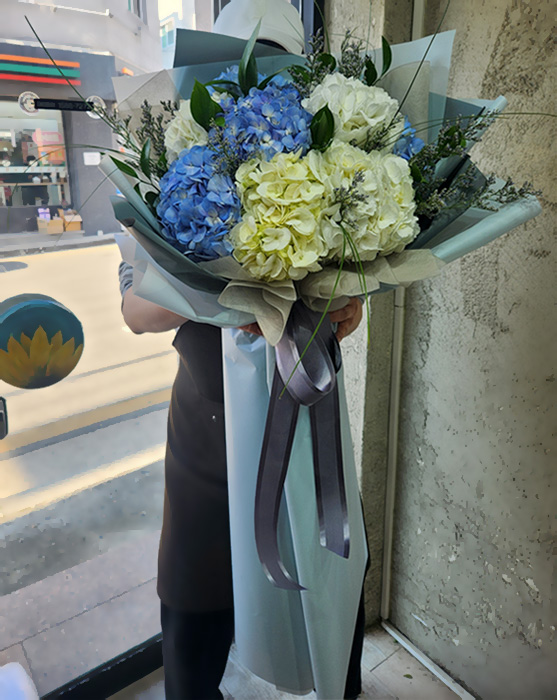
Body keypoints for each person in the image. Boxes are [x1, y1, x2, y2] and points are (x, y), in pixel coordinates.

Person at [119, 2, 365, 698]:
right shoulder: (166, 174)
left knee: (327, 582)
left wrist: (341, 304)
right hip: (207, 435)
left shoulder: (326, 168)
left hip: (307, 419)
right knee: (194, 614)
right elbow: (135, 313)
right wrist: (229, 278)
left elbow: (350, 300)